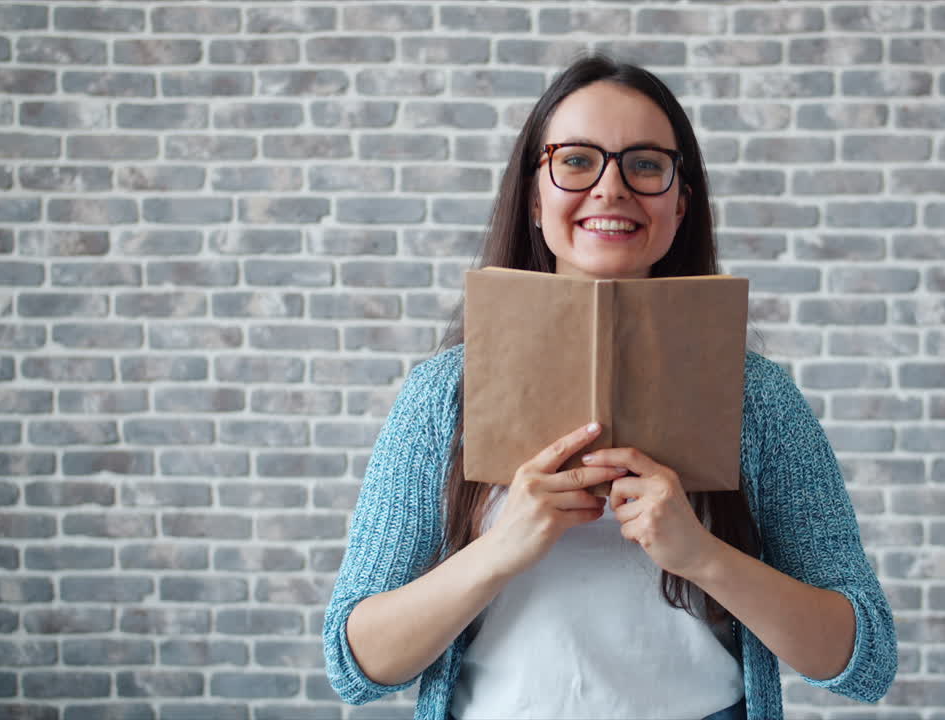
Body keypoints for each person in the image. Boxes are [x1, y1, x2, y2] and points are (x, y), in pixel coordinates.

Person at [323, 54, 897, 720]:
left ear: (681, 202)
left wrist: (700, 554)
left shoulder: (757, 400)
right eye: (576, 160)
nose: (610, 188)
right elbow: (354, 666)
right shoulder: (443, 396)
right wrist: (502, 549)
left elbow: (866, 661)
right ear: (535, 195)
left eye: (645, 164)